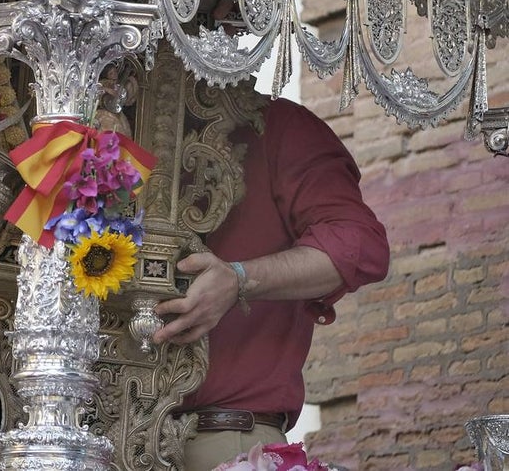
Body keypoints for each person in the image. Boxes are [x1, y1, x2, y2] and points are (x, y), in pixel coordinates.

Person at [152, 97, 390, 471]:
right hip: (94, 432)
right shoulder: (96, 131)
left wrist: (239, 279)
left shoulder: (276, 125)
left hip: (224, 441)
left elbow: (358, 245)